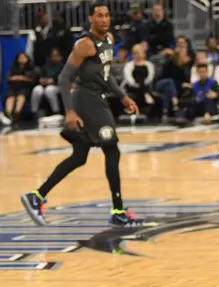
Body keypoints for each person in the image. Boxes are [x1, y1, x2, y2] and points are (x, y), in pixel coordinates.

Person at [20, 2, 144, 227]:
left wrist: (122, 96)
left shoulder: (109, 40)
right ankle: (117, 210)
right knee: (112, 149)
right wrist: (69, 111)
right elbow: (64, 78)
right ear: (90, 19)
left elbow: (106, 76)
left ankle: (36, 196)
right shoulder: (84, 44)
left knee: (80, 155)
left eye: (107, 15)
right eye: (99, 16)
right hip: (86, 100)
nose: (104, 20)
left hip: (98, 98)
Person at [4, 52, 36, 127]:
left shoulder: (31, 69)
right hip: (13, 88)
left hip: (24, 89)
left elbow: (33, 80)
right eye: (20, 57)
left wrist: (22, 78)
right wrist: (16, 78)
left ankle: (16, 117)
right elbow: (8, 79)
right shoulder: (13, 68)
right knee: (10, 98)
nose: (22, 59)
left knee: (19, 102)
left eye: (23, 57)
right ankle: (9, 117)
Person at [31, 48, 65, 118]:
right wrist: (42, 80)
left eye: (57, 55)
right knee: (37, 90)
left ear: (60, 56)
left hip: (57, 85)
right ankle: (34, 112)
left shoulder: (63, 66)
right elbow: (41, 75)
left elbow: (63, 78)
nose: (55, 57)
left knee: (49, 90)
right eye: (53, 56)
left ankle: (56, 111)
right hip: (44, 84)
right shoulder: (46, 66)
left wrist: (53, 80)